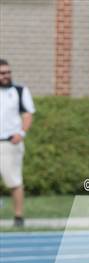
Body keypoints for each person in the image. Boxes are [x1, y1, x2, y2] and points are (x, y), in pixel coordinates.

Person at [0, 59, 35, 227]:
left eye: (8, 72)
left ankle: (18, 216)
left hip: (9, 143)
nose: (6, 76)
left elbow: (28, 114)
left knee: (14, 180)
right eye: (2, 73)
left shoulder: (19, 91)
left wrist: (21, 134)